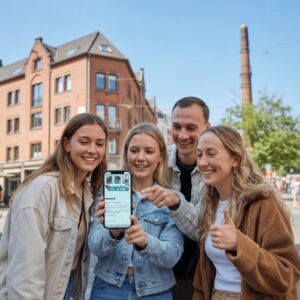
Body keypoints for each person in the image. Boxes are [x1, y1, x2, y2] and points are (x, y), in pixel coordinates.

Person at [0, 113, 108, 300]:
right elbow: (25, 273)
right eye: (84, 142)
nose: (93, 150)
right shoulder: (42, 189)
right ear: (66, 144)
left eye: (99, 144)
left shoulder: (86, 192)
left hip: (64, 290)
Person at [193, 125, 300, 299]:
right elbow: (203, 276)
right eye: (199, 155)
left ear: (235, 159)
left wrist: (239, 244)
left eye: (211, 154)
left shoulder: (263, 202)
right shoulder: (209, 204)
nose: (203, 162)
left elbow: (287, 274)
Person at [88, 123, 184, 299]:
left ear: (161, 156)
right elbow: (95, 247)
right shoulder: (107, 192)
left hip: (155, 291)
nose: (140, 157)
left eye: (149, 151)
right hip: (108, 289)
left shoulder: (171, 198)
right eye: (134, 150)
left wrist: (145, 242)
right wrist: (114, 233)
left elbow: (172, 255)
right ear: (126, 154)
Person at [142, 96, 210, 300]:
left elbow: (203, 230)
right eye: (177, 126)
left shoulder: (214, 166)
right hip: (159, 274)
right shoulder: (158, 160)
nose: (182, 135)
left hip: (202, 274)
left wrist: (176, 202)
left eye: (191, 127)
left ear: (207, 128)